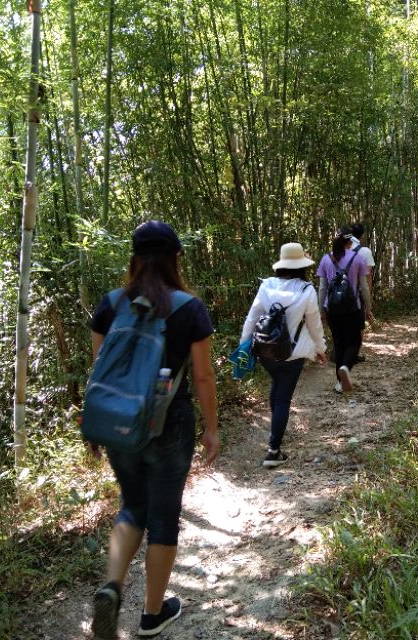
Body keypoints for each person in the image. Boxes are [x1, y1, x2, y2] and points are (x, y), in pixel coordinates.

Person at [88, 221, 219, 639]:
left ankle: (112, 585)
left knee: (132, 506)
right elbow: (202, 378)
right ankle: (152, 613)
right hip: (170, 423)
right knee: (164, 516)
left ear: (134, 258)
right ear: (175, 258)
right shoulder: (189, 308)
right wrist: (212, 429)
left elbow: (102, 373)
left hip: (118, 422)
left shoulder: (110, 305)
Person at [240, 242, 327, 466]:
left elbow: (252, 317)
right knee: (282, 398)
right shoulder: (306, 290)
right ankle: (273, 451)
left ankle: (274, 441)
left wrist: (244, 345)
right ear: (301, 266)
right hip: (292, 354)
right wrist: (321, 350)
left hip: (265, 351)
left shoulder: (266, 285)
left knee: (277, 388)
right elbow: (315, 325)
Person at [317, 227, 374, 392]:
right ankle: (345, 369)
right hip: (353, 308)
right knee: (354, 342)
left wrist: (322, 311)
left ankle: (340, 382)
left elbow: (322, 288)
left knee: (339, 342)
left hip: (333, 309)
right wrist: (368, 307)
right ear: (351, 241)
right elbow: (363, 286)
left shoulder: (326, 259)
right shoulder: (357, 258)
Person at [349, 223, 375, 363]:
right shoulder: (365, 251)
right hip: (357, 292)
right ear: (362, 235)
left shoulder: (339, 248)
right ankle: (354, 354)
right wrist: (368, 299)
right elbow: (368, 277)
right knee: (359, 325)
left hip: (339, 292)